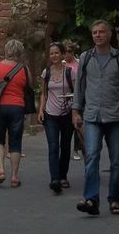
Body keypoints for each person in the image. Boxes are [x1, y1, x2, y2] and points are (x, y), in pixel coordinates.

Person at [72, 19, 119, 217]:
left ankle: (114, 198)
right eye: (94, 32)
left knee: (116, 160)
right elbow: (79, 87)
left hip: (115, 116)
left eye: (101, 32)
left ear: (109, 35)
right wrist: (76, 111)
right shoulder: (86, 57)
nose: (98, 35)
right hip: (92, 115)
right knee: (91, 155)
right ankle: (91, 198)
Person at [0, 38, 31, 188]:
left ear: (6, 51)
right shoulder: (24, 69)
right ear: (19, 52)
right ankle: (15, 177)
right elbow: (29, 87)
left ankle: (1, 170)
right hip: (17, 108)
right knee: (16, 142)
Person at [38, 42, 75, 194]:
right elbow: (44, 93)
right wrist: (41, 110)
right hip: (50, 114)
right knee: (53, 146)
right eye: (51, 53)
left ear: (62, 54)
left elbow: (76, 92)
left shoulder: (70, 72)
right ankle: (54, 179)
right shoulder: (46, 73)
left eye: (56, 53)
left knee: (65, 146)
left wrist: (76, 110)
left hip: (67, 113)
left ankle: (63, 175)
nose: (54, 56)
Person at [63, 40, 82, 160]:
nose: (67, 54)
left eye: (69, 51)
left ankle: (76, 149)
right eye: (64, 51)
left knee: (78, 124)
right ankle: (66, 149)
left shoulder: (79, 63)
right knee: (67, 126)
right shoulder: (61, 64)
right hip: (64, 99)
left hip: (77, 96)